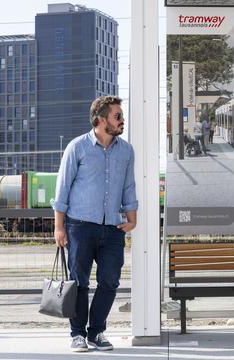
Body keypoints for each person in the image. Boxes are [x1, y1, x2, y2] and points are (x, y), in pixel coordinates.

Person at [52, 96, 138, 352]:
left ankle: (96, 332)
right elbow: (62, 188)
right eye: (117, 116)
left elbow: (128, 186)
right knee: (79, 282)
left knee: (110, 281)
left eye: (121, 116)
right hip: (79, 226)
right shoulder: (77, 147)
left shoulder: (126, 150)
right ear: (101, 120)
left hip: (113, 227)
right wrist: (59, 227)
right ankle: (77, 334)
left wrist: (133, 216)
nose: (122, 121)